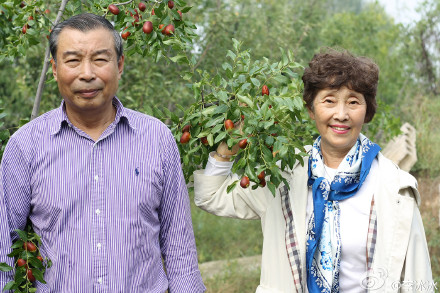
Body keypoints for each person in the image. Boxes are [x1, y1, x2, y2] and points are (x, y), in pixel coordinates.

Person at [193, 49, 433, 292]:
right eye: (329, 101)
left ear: (367, 110)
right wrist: (226, 151)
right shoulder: (284, 175)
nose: (341, 114)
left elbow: (417, 278)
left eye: (353, 102)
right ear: (311, 109)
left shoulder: (395, 188)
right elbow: (211, 197)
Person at [0, 13, 205, 292]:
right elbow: (4, 252)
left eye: (100, 59)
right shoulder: (25, 147)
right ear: (55, 68)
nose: (87, 73)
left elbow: (180, 252)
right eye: (73, 60)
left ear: (119, 65)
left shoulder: (157, 139)